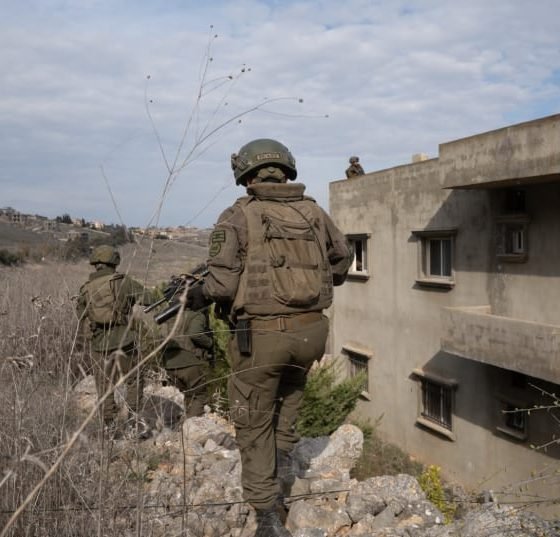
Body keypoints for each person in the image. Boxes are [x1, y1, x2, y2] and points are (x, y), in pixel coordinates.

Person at [191, 139, 353, 536]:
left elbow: (222, 286)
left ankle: (266, 513)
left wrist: (198, 293)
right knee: (289, 398)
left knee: (253, 420)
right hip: (312, 333)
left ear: (246, 174)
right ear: (285, 170)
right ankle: (281, 472)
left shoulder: (237, 215)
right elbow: (343, 258)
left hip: (263, 337)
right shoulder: (313, 212)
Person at [76, 244, 155, 437]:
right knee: (134, 379)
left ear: (95, 263)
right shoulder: (123, 282)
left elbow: (81, 316)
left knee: (104, 387)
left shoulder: (85, 289)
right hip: (124, 342)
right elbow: (150, 299)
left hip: (98, 345)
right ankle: (133, 424)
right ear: (114, 261)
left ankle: (109, 429)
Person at [160, 278, 214, 419]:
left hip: (170, 364)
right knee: (199, 395)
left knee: (189, 394)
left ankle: (186, 423)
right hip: (189, 362)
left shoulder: (167, 318)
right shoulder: (196, 315)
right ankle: (191, 426)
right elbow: (195, 334)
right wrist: (209, 343)